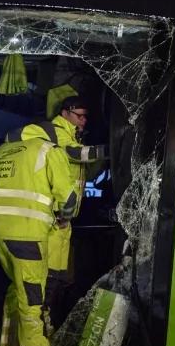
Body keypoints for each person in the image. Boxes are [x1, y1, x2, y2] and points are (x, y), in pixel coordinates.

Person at [0, 130, 80, 346]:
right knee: (33, 309)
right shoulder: (49, 150)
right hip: (27, 237)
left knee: (16, 291)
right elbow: (70, 200)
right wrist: (63, 218)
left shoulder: (2, 151)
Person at [7, 96, 107, 319]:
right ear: (65, 113)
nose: (84, 121)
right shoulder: (56, 132)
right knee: (42, 284)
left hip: (63, 219)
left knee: (56, 281)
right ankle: (34, 332)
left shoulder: (72, 135)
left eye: (85, 117)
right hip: (51, 219)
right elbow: (76, 154)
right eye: (79, 116)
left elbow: (80, 173)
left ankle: (46, 325)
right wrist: (108, 150)